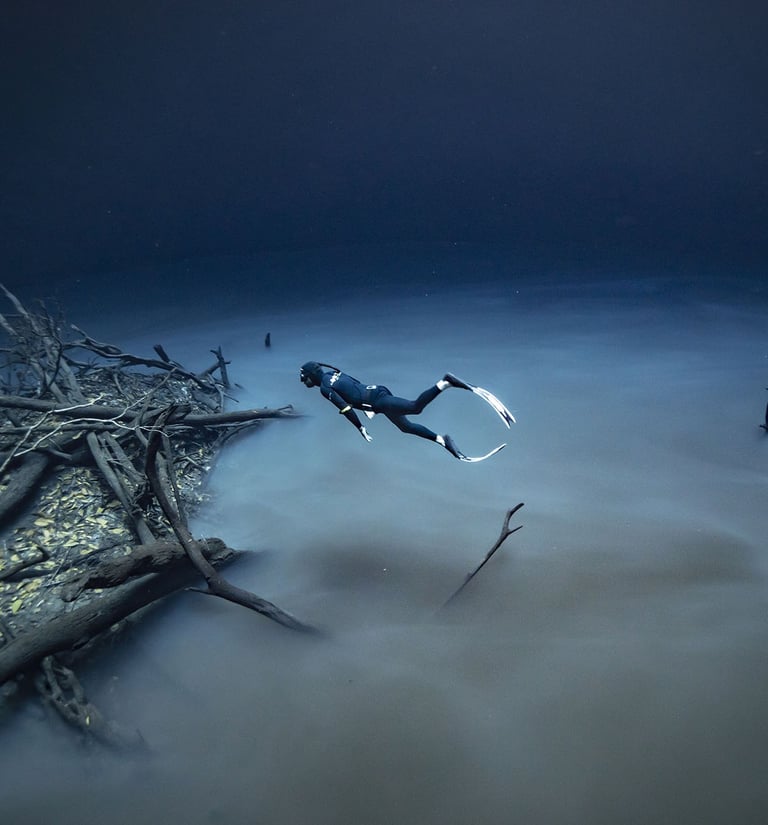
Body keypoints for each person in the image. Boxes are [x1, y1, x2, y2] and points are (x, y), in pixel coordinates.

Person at [299, 361, 514, 461]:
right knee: (405, 427)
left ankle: (445, 383)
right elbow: (354, 385)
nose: (304, 381)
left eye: (305, 377)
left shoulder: (325, 387)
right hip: (376, 394)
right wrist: (367, 409)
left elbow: (345, 407)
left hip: (377, 401)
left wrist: (360, 428)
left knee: (415, 408)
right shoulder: (332, 374)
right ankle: (442, 440)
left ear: (312, 375)